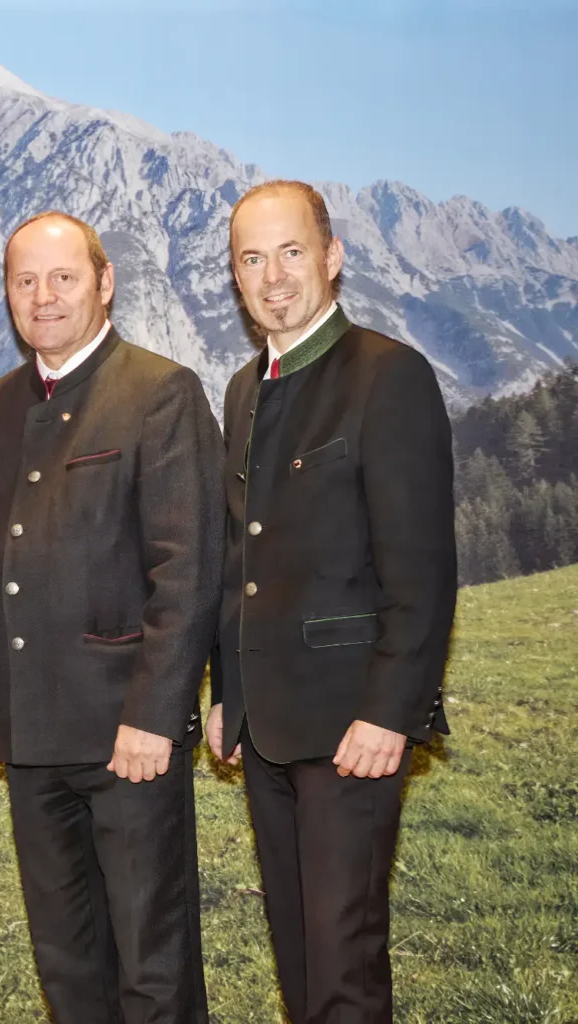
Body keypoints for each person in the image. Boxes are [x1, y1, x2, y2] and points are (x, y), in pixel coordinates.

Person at [0, 212, 223, 1023]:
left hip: (125, 739)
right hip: (27, 732)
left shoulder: (161, 392)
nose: (44, 296)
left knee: (152, 967)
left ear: (104, 283)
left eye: (63, 277)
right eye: (24, 281)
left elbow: (189, 573)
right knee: (67, 966)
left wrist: (154, 714)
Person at [207, 180, 456, 1022]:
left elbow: (421, 572)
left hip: (354, 728)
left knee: (344, 966)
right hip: (267, 729)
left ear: (332, 257)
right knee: (299, 958)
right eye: (252, 258)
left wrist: (393, 713)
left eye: (290, 252)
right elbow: (243, 559)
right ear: (235, 278)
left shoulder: (389, 375)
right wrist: (227, 698)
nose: (273, 277)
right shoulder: (244, 390)